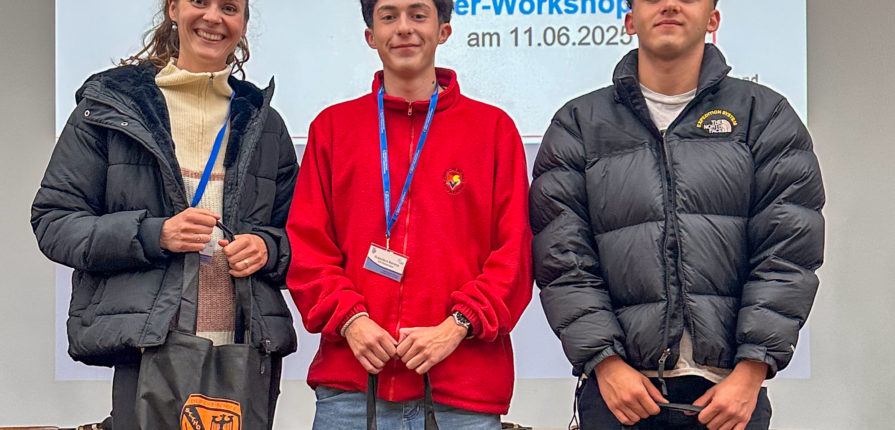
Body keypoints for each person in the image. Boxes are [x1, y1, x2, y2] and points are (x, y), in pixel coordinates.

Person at [529, 0, 825, 429]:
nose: (669, 4)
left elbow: (788, 251)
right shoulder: (578, 124)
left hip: (729, 398)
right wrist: (605, 362)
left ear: (713, 19)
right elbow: (562, 258)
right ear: (629, 21)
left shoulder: (764, 116)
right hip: (618, 397)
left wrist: (751, 370)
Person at [31, 1, 298, 428]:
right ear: (173, 8)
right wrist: (154, 234)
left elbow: (300, 238)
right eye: (199, 2)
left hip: (245, 354)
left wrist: (268, 248)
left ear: (244, 24)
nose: (213, 17)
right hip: (149, 349)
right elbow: (54, 221)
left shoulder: (266, 124)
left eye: (230, 7)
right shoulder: (111, 109)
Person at [286, 0, 532, 428]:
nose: (403, 28)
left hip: (461, 397)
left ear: (443, 31)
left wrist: (456, 326)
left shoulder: (493, 130)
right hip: (351, 393)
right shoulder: (332, 129)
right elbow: (307, 248)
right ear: (370, 36)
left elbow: (515, 255)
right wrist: (351, 320)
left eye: (418, 15)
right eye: (389, 16)